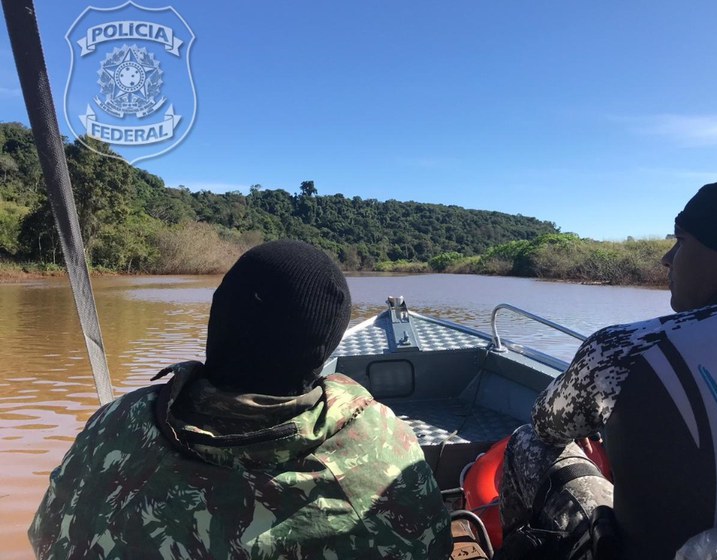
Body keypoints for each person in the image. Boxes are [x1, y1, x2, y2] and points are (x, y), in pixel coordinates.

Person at [29, 239, 452, 559]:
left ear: (219, 318)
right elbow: (433, 545)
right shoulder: (379, 446)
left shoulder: (116, 420)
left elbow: (43, 531)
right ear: (324, 347)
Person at [498, 173, 717, 560]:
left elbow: (546, 424)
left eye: (681, 241)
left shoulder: (626, 349)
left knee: (529, 442)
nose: (667, 259)